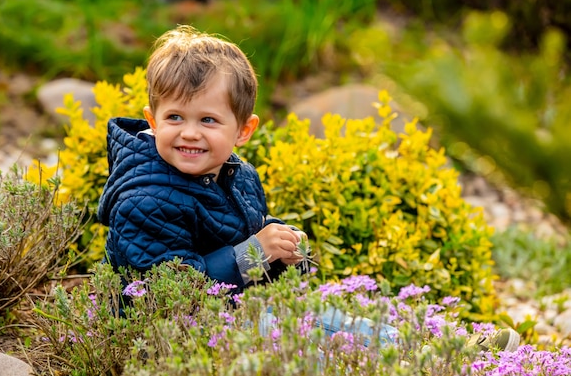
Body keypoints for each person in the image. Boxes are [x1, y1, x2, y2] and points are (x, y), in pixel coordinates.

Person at [97, 25, 518, 351]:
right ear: (152, 121)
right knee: (297, 337)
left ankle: (442, 351)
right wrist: (252, 254)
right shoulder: (143, 197)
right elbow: (166, 293)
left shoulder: (236, 174)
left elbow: (246, 235)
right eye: (175, 118)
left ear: (243, 130)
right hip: (164, 337)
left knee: (329, 319)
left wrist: (281, 243)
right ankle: (410, 363)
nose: (190, 133)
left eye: (208, 120)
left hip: (229, 313)